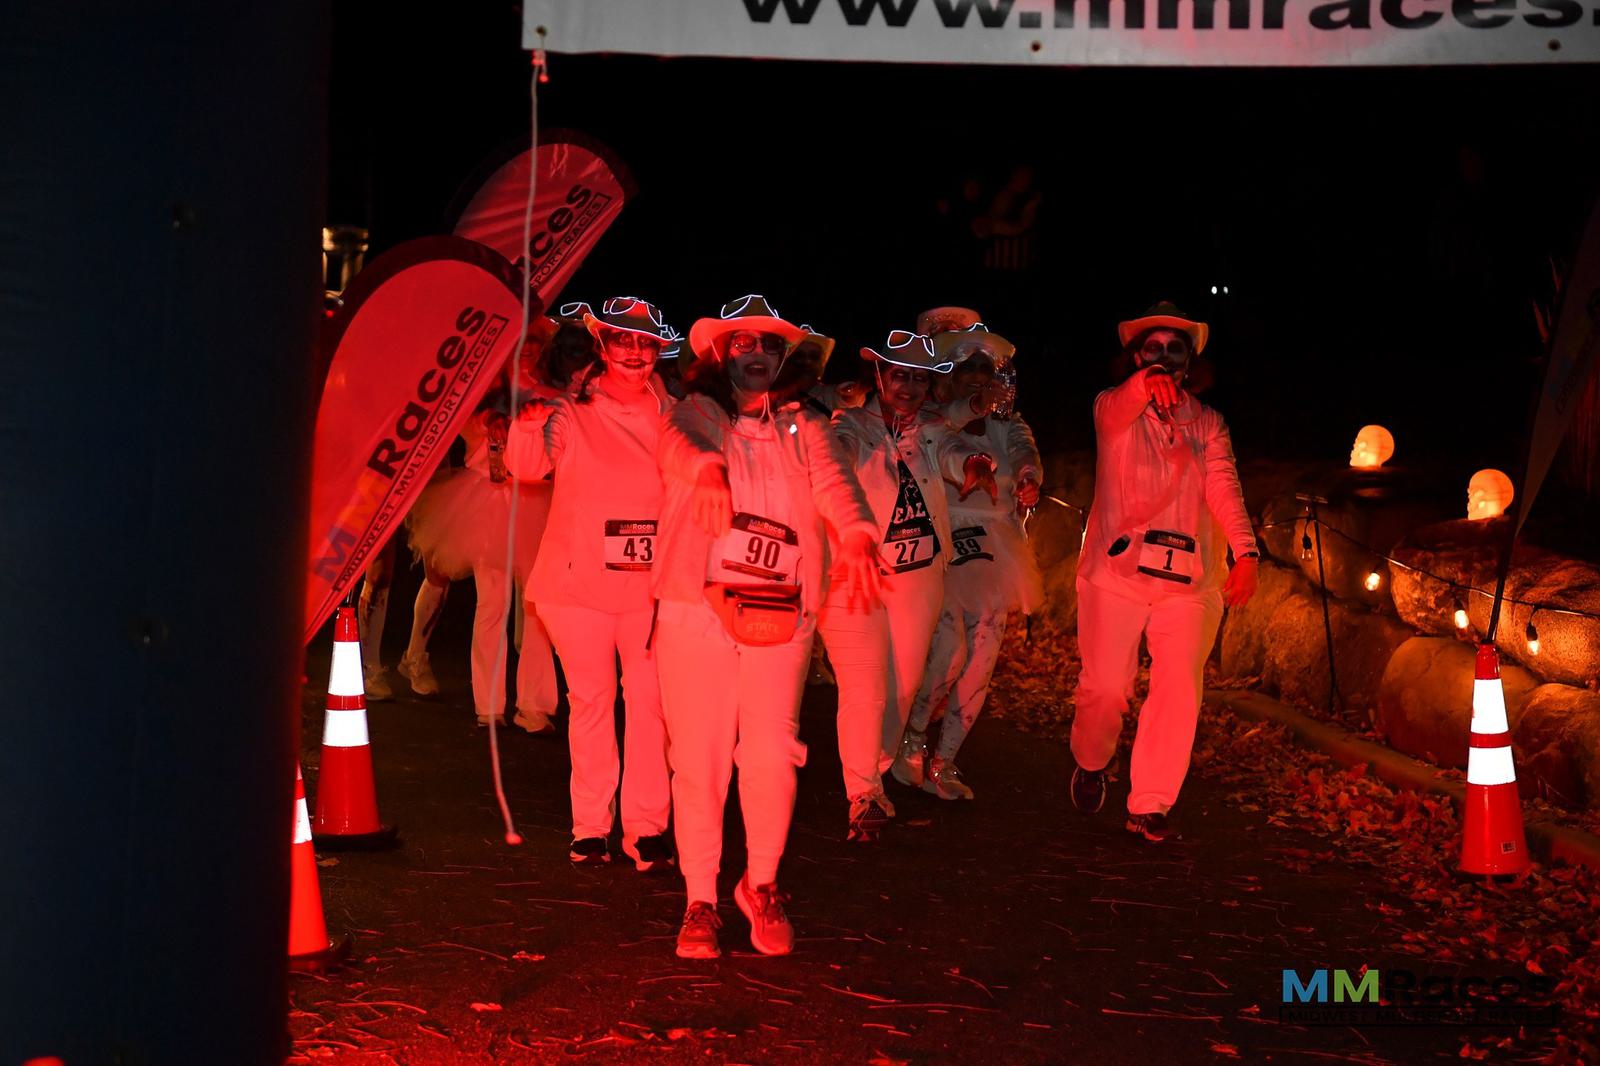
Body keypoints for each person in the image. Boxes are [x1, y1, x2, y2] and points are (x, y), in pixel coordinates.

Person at [654, 294, 881, 959]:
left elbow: (837, 483)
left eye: (770, 346)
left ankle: (762, 883)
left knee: (772, 754)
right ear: (720, 357)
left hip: (782, 612)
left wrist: (860, 534)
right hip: (697, 609)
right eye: (743, 344)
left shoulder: (803, 428)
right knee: (698, 757)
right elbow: (679, 442)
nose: (757, 355)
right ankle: (700, 898)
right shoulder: (698, 413)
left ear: (787, 361)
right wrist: (706, 468)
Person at [1069, 302, 1258, 842]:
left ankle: (1151, 801)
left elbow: (1223, 487)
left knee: (1178, 687)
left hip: (1190, 580)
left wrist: (1246, 554)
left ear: (1192, 361)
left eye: (1176, 350)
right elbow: (1119, 406)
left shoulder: (1209, 423)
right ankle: (1090, 759)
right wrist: (1144, 384)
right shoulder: (1114, 409)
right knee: (1107, 687)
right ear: (1134, 356)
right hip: (1116, 575)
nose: (1165, 358)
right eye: (1153, 348)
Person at [504, 296, 676, 871]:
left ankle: (647, 827)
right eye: (622, 340)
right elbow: (529, 469)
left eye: (645, 342)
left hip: (651, 586)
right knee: (593, 701)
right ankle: (590, 827)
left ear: (658, 351)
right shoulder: (572, 409)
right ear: (601, 345)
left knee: (650, 702)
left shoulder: (676, 413)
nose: (634, 352)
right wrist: (528, 427)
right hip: (577, 583)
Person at [819, 330, 985, 840]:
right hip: (857, 573)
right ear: (879, 377)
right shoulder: (849, 424)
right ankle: (862, 791)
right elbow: (834, 461)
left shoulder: (932, 429)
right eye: (899, 375)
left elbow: (956, 450)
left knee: (903, 685)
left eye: (917, 377)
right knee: (865, 684)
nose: (908, 386)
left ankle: (877, 763)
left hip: (919, 574)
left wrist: (977, 464)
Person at [898, 325, 1043, 800]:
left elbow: (1025, 453)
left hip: (997, 549)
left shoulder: (1009, 425)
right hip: (944, 542)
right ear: (949, 377)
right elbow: (945, 450)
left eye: (986, 368)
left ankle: (946, 761)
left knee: (981, 660)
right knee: (948, 651)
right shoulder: (935, 419)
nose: (979, 377)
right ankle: (911, 738)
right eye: (968, 369)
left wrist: (1027, 478)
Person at [404, 335, 559, 734]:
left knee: (537, 608)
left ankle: (534, 704)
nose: (530, 349)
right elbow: (457, 430)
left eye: (537, 341)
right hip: (488, 499)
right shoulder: (481, 386)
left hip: (536, 499)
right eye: (523, 341)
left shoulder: (550, 389)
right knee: (493, 604)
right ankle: (488, 703)